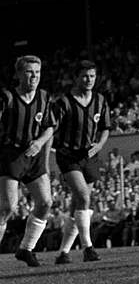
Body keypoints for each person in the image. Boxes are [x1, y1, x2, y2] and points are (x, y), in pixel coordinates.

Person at [50, 60, 111, 264]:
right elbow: (51, 127)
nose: (89, 80)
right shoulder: (64, 103)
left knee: (78, 205)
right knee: (84, 197)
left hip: (90, 157)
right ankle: (88, 248)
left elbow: (105, 127)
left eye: (92, 76)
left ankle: (63, 253)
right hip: (68, 156)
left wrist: (100, 145)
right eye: (85, 76)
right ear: (76, 78)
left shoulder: (100, 100)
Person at [0, 56, 55, 268]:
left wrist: (40, 143)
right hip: (10, 156)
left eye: (38, 72)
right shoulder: (7, 98)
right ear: (18, 74)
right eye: (29, 72)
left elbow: (49, 126)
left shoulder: (44, 97)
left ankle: (26, 249)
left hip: (34, 156)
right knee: (8, 208)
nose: (34, 76)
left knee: (45, 203)